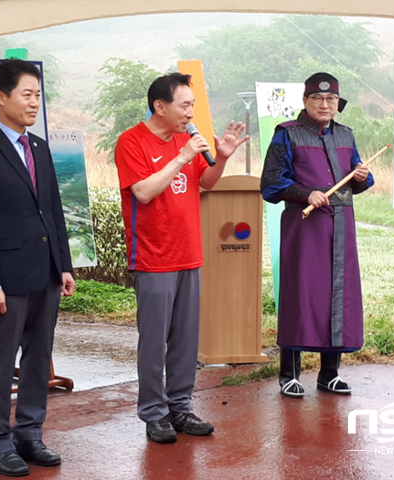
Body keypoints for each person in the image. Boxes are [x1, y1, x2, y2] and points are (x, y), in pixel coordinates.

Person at [114, 72, 247, 443]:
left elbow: (206, 182)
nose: (191, 113)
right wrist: (182, 157)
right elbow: (143, 191)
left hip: (189, 254)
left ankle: (180, 408)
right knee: (154, 341)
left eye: (193, 105)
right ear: (160, 105)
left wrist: (220, 159)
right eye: (184, 105)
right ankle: (154, 414)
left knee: (186, 340)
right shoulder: (131, 142)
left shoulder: (188, 140)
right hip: (153, 257)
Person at [0, 59, 75, 477]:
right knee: (0, 360)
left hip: (45, 273)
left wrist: (63, 264)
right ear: (1, 97)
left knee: (38, 356)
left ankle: (30, 432)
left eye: (38, 95)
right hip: (5, 280)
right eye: (26, 94)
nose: (33, 103)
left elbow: (53, 212)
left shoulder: (40, 148)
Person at [260, 72, 374, 399]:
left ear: (338, 103)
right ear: (306, 101)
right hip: (304, 226)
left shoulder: (347, 136)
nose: (325, 104)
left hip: (341, 228)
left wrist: (363, 177)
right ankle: (290, 375)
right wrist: (305, 193)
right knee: (301, 293)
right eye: (318, 99)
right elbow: (270, 184)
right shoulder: (287, 134)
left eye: (331, 100)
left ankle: (330, 374)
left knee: (337, 295)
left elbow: (355, 179)